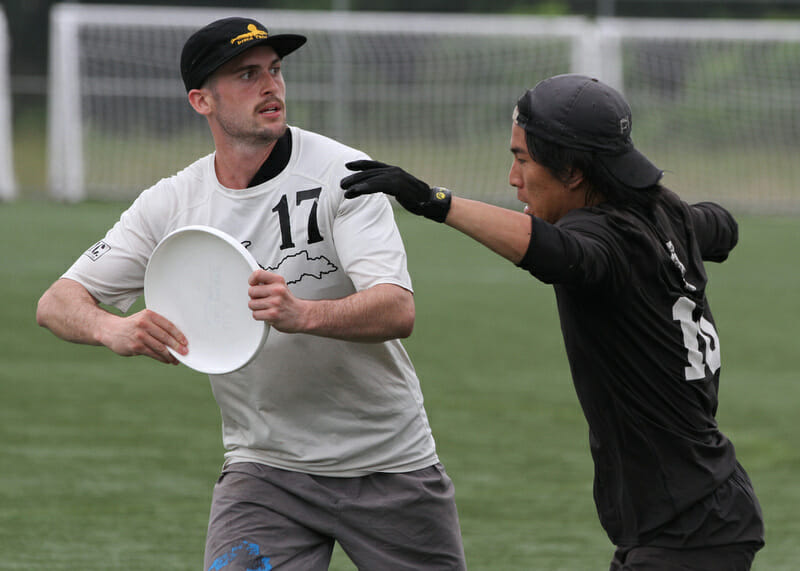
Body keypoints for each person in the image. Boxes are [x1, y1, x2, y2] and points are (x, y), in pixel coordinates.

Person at [36, 17, 466, 571]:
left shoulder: (344, 173)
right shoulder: (171, 203)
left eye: (275, 70)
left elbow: (396, 308)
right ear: (201, 100)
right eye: (246, 75)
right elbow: (56, 302)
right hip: (263, 470)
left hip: (389, 464)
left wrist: (300, 313)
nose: (271, 86)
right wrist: (112, 327)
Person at [342, 73, 765, 570]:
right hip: (695, 513)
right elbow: (724, 227)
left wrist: (434, 201)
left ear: (572, 172)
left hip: (688, 528)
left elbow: (560, 254)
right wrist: (667, 213)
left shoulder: (605, 240)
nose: (512, 177)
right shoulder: (664, 215)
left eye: (522, 159)